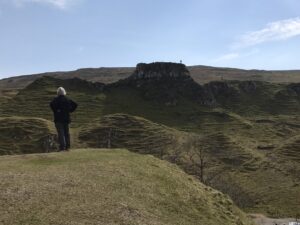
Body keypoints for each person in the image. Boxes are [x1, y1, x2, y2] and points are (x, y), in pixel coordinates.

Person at [50, 87, 78, 151]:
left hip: (58, 119)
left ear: (58, 93)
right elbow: (75, 104)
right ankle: (67, 147)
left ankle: (62, 147)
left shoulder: (55, 99)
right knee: (66, 133)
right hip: (66, 119)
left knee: (61, 133)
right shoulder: (67, 99)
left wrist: (56, 111)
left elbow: (51, 104)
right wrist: (70, 110)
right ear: (64, 92)